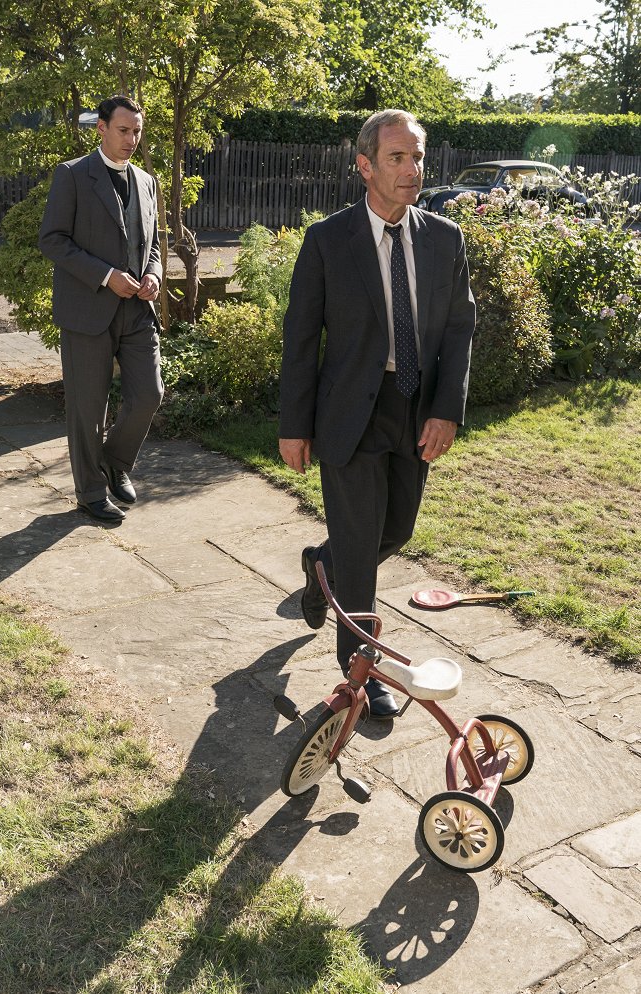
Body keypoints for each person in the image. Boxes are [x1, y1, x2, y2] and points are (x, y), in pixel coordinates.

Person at [279, 109, 476, 719]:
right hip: (349, 414)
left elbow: (460, 329)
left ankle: (322, 566)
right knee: (363, 547)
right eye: (397, 158)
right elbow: (301, 335)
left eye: (417, 156)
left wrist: (446, 409)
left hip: (415, 410)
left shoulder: (444, 238)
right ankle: (360, 672)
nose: (413, 170)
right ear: (364, 167)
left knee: (396, 532)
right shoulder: (327, 240)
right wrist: (294, 422)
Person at [39, 94, 164, 523]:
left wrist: (154, 275)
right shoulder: (73, 176)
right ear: (102, 129)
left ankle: (114, 462)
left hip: (136, 312)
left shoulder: (147, 181)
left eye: (137, 131)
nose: (132, 139)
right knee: (88, 409)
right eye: (124, 130)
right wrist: (105, 275)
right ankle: (90, 491)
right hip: (87, 310)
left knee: (150, 393)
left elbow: (153, 246)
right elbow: (52, 240)